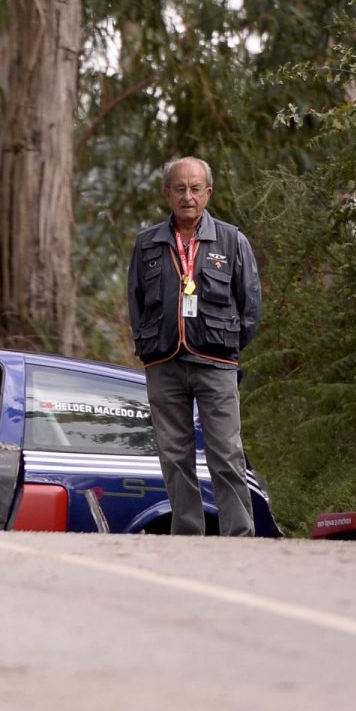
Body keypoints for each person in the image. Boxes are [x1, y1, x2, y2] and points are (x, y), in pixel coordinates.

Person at [127, 156, 261, 536]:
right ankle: (187, 536)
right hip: (164, 363)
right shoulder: (146, 244)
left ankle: (239, 536)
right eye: (180, 188)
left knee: (227, 453)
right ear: (167, 193)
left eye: (195, 188)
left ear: (208, 193)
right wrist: (149, 347)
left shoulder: (233, 241)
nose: (188, 196)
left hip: (216, 364)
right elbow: (135, 303)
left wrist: (226, 347)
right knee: (174, 456)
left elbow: (249, 305)